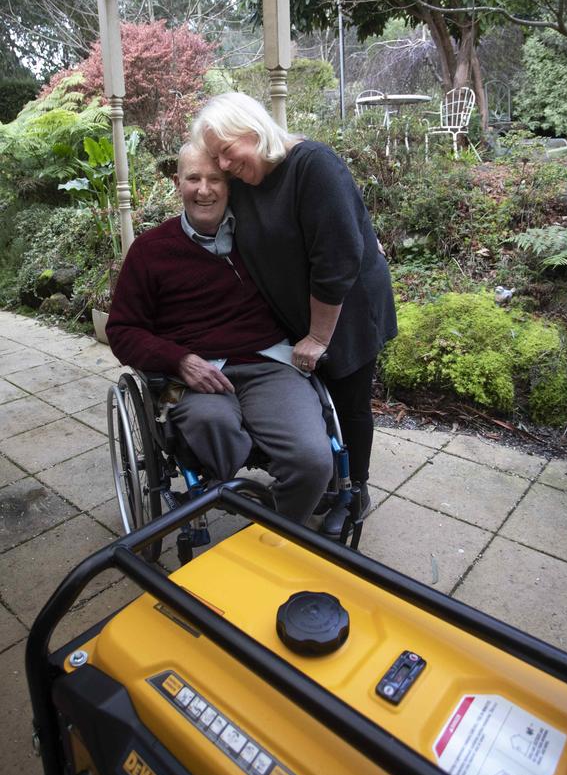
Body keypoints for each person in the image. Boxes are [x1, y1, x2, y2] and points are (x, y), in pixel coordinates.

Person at [189, 92, 398, 537]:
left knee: (348, 399)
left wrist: (320, 338)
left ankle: (353, 491)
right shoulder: (246, 179)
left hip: (347, 308)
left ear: (253, 129)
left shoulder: (313, 165)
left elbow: (338, 259)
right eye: (217, 157)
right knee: (313, 400)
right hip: (298, 307)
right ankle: (323, 477)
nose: (223, 165)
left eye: (227, 151)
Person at [105, 143, 332, 525]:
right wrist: (178, 359)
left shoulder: (259, 239)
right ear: (178, 183)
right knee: (210, 424)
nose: (204, 190)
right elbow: (122, 330)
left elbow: (323, 251)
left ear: (231, 186)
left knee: (313, 461)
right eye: (193, 178)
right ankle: (222, 484)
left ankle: (276, 531)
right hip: (181, 377)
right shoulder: (149, 251)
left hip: (267, 363)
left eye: (215, 179)